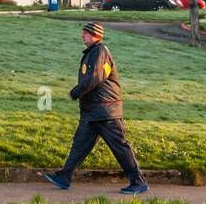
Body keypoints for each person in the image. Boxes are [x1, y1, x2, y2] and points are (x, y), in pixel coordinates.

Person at [41, 21, 149, 194]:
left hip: (106, 111)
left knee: (120, 147)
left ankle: (138, 182)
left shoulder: (100, 52)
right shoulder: (94, 52)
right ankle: (64, 177)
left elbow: (95, 77)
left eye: (85, 33)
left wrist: (76, 92)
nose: (82, 36)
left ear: (94, 35)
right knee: (79, 145)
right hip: (94, 112)